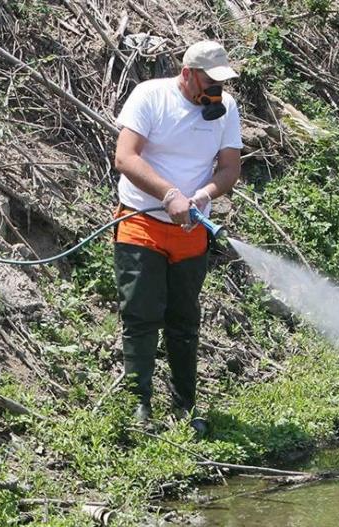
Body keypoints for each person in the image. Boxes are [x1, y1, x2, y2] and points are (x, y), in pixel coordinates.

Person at [112, 40, 242, 431]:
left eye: (222, 82)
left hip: (190, 231)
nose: (216, 91)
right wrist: (168, 194)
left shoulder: (226, 110)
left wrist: (202, 195)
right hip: (141, 221)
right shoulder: (151, 96)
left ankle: (185, 405)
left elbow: (229, 169)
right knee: (141, 313)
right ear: (187, 74)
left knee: (184, 319)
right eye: (210, 81)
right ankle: (139, 405)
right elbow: (126, 156)